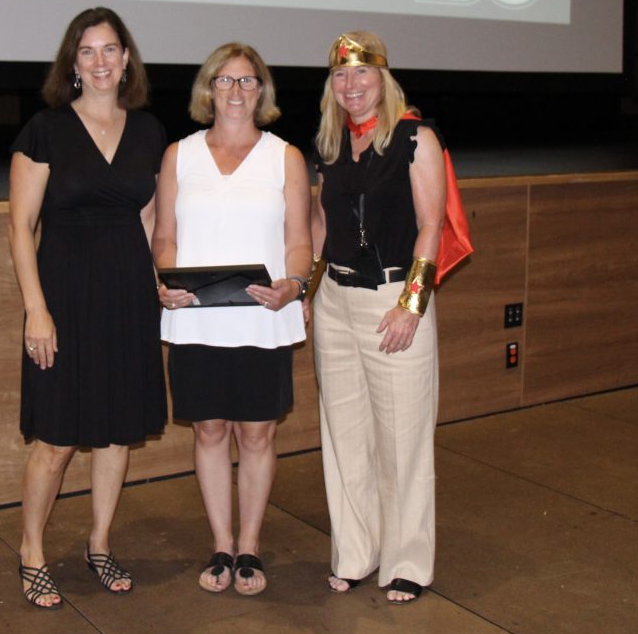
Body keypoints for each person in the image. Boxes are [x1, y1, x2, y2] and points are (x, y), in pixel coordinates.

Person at [8, 7, 167, 609]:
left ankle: (99, 543)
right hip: (65, 297)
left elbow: (150, 218)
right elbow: (22, 227)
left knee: (116, 434)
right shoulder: (45, 130)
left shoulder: (149, 131)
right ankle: (31, 550)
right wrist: (36, 310)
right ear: (72, 64)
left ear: (127, 59)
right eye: (88, 52)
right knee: (55, 437)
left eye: (110, 50)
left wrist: (160, 283)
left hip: (127, 296)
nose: (100, 62)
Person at [152, 43, 311, 596]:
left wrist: (295, 285)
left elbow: (300, 241)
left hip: (262, 320)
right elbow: (165, 235)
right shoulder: (180, 155)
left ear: (261, 91)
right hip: (196, 319)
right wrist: (163, 280)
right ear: (208, 89)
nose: (236, 92)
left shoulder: (284, 157)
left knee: (257, 434)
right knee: (210, 430)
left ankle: (251, 547)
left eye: (247, 82)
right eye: (225, 81)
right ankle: (221, 544)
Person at [310, 32, 446, 604]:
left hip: (392, 301)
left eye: (362, 74)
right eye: (341, 76)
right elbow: (322, 227)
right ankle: (356, 552)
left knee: (403, 440)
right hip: (335, 305)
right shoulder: (330, 143)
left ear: (383, 79)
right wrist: (303, 292)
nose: (352, 86)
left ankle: (408, 561)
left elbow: (431, 226)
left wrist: (411, 305)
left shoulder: (416, 138)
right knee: (345, 440)